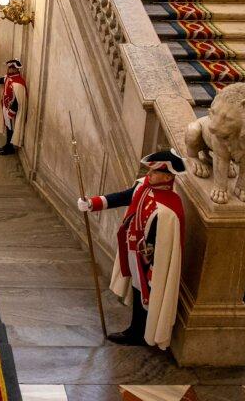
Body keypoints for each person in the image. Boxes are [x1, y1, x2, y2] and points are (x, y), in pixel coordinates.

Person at [77, 149, 186, 349]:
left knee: (147, 294)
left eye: (154, 172)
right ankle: (135, 329)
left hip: (151, 262)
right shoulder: (144, 187)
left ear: (168, 176)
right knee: (137, 291)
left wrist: (152, 268)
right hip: (134, 253)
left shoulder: (169, 209)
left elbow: (161, 243)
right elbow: (123, 197)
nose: (149, 175)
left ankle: (141, 333)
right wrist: (92, 203)